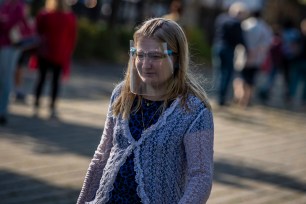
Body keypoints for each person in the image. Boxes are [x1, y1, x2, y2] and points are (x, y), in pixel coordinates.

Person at [77, 18, 214, 204]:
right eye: (140, 54)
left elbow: (200, 177)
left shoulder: (193, 110)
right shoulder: (121, 94)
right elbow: (102, 155)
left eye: (156, 56)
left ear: (177, 58)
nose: (145, 63)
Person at [33, 0, 77, 118]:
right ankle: (52, 107)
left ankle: (36, 104)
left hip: (45, 52)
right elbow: (72, 37)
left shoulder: (44, 14)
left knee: (41, 79)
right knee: (55, 82)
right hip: (60, 54)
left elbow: (37, 31)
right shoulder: (70, 17)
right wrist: (69, 52)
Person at [233, 10, 273, 107]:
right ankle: (248, 98)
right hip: (257, 56)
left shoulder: (245, 24)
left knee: (241, 76)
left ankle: (239, 95)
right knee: (252, 79)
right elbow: (267, 43)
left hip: (243, 55)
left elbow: (238, 38)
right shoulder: (265, 28)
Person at [212, 2, 249, 106]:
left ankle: (216, 95)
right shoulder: (236, 23)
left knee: (218, 72)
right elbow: (240, 39)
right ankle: (221, 98)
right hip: (228, 49)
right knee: (226, 74)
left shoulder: (221, 18)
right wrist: (247, 49)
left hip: (217, 46)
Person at [0, 0, 27, 125]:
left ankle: (2, 111)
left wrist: (3, 21)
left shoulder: (18, 5)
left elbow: (10, 24)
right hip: (4, 43)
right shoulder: (5, 4)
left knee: (6, 77)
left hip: (10, 45)